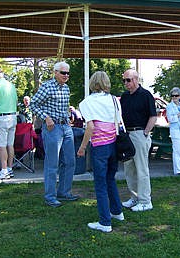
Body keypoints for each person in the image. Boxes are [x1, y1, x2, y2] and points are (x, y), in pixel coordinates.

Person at [77, 71, 124, 233]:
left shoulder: (87, 102)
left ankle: (105, 222)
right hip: (114, 144)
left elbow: (90, 127)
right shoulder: (114, 100)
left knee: (100, 184)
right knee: (110, 179)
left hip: (99, 147)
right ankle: (117, 211)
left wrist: (82, 147)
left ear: (92, 83)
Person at [30, 61, 78, 208]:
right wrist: (46, 117)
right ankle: (50, 196)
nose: (66, 75)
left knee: (70, 161)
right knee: (52, 163)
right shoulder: (47, 86)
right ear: (55, 72)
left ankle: (64, 192)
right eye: (63, 73)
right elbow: (33, 104)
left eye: (68, 73)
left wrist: (69, 115)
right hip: (52, 128)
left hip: (65, 127)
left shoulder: (66, 88)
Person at [120, 69, 157, 212]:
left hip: (139, 133)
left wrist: (145, 132)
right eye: (124, 80)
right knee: (129, 169)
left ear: (136, 79)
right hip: (127, 135)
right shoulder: (124, 96)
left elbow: (153, 116)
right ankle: (134, 197)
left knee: (142, 169)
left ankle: (145, 201)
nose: (126, 83)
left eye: (128, 80)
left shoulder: (146, 95)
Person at [0, 68, 18, 180]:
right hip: (13, 116)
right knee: (10, 145)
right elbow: (16, 102)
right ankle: (10, 169)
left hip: (1, 118)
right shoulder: (11, 86)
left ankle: (4, 170)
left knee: (1, 146)